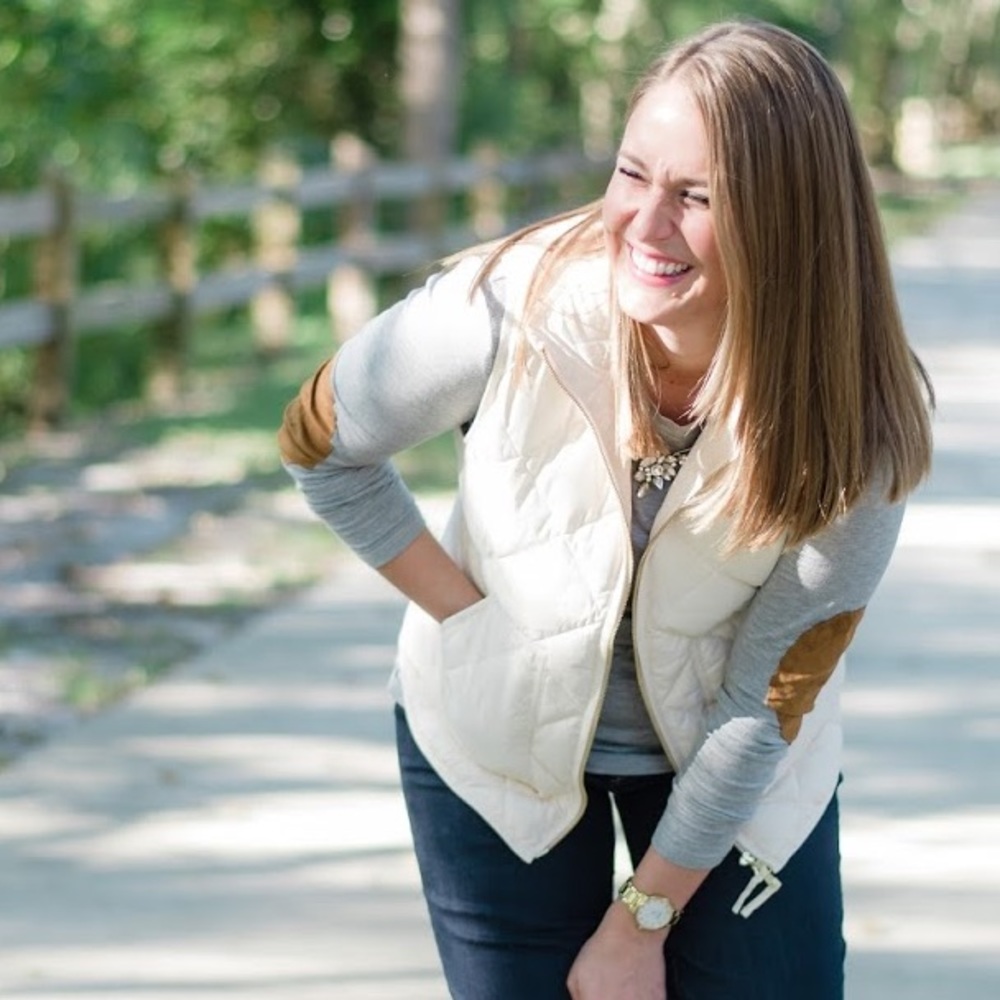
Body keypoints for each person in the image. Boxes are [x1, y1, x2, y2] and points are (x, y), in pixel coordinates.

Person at [278, 18, 933, 1000]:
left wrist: (644, 920)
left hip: (735, 771)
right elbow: (317, 442)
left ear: (789, 218)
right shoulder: (502, 307)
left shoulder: (857, 420)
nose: (645, 223)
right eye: (633, 174)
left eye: (698, 196)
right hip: (494, 754)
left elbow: (764, 703)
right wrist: (466, 617)